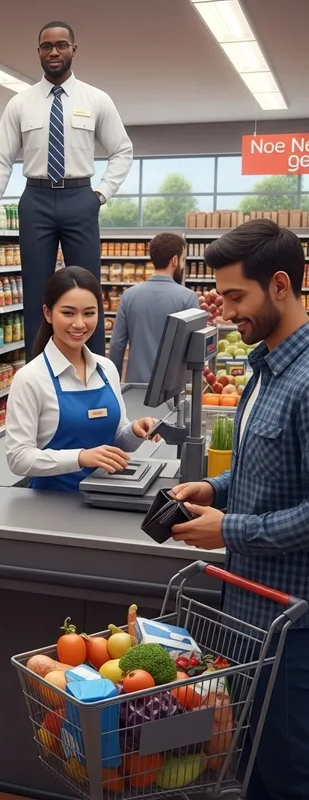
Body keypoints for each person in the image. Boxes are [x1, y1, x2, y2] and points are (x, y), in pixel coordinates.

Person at [170, 220, 309, 800]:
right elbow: (264, 467)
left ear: (279, 285)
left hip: (292, 625)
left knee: (285, 772)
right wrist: (215, 490)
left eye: (236, 297)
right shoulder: (263, 368)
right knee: (251, 765)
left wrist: (232, 528)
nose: (225, 312)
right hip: (248, 611)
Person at [0, 20, 133, 359]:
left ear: (73, 49)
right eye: (46, 46)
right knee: (35, 290)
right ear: (38, 52)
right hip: (35, 200)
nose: (54, 52)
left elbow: (122, 150)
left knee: (87, 288)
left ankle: (90, 368)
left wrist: (101, 194)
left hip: (81, 197)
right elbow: (0, 157)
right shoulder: (20, 103)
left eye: (61, 45)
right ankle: (38, 368)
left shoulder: (97, 99)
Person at [5, 266, 158, 491]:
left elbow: (116, 438)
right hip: (50, 507)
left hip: (105, 499)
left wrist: (135, 430)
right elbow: (18, 458)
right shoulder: (30, 378)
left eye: (89, 313)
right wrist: (80, 457)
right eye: (68, 313)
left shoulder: (106, 368)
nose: (79, 323)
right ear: (48, 313)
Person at [109, 233, 199, 383]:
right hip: (173, 389)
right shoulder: (188, 297)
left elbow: (117, 344)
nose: (182, 265)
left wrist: (114, 382)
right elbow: (193, 349)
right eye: (183, 259)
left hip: (136, 386)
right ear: (175, 260)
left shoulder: (129, 295)